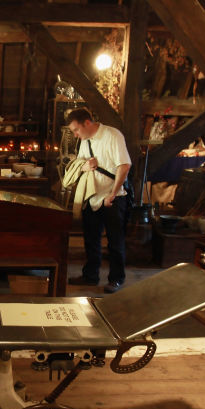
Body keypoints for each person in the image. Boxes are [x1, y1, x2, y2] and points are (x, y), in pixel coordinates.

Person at [65, 108, 132, 293]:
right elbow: (80, 164)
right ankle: (90, 276)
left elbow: (124, 166)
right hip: (92, 196)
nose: (76, 135)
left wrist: (113, 193)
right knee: (91, 239)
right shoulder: (85, 141)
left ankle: (116, 278)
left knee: (115, 241)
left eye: (76, 130)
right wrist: (85, 166)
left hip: (113, 197)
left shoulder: (112, 135)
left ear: (87, 122)